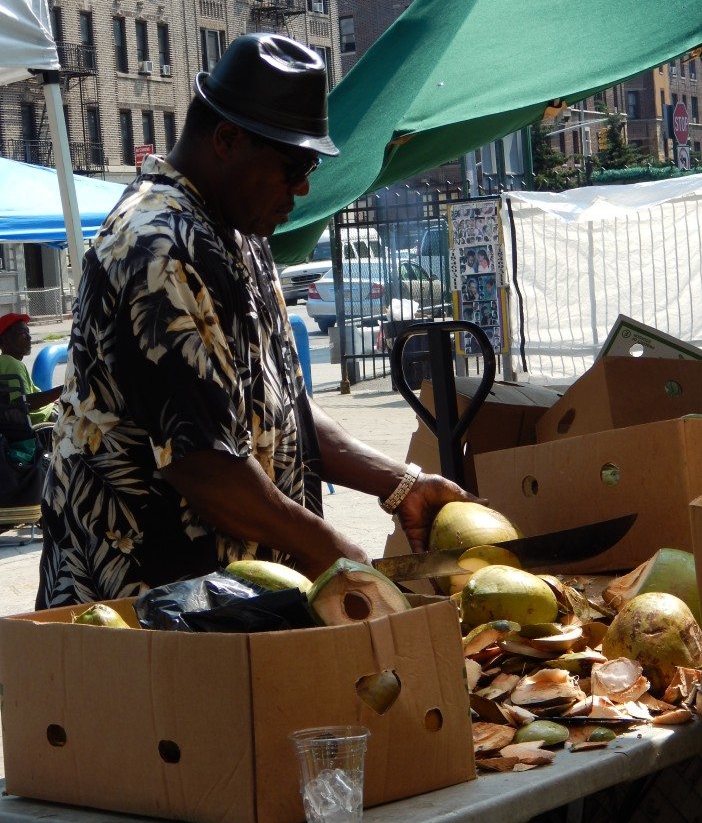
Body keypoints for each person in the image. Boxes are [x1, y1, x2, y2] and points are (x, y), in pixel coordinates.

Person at [36, 33, 476, 609]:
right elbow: (206, 466)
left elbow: (279, 406)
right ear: (226, 139)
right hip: (141, 611)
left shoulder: (238, 232)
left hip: (227, 598)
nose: (304, 187)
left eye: (311, 166)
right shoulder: (155, 248)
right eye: (293, 165)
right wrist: (334, 549)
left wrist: (400, 483)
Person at [0, 313, 62, 425]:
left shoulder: (4, 362)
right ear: (5, 339)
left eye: (28, 332)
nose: (29, 337)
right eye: (23, 333)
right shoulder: (12, 364)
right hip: (43, 420)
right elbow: (22, 402)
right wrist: (63, 389)